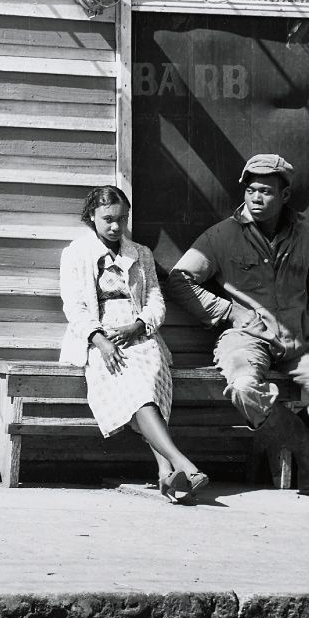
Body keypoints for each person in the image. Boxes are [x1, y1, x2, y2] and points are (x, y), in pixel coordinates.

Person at [167, 153, 309, 494]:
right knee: (244, 389)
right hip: (245, 340)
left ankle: (301, 434)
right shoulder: (221, 236)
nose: (256, 198)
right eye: (251, 190)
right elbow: (181, 278)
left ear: (285, 196)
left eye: (266, 191)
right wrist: (229, 311)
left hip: (297, 341)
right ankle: (303, 444)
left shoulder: (306, 237)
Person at [60, 185, 209, 504]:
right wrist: (101, 341)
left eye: (122, 219)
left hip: (139, 332)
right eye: (108, 219)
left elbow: (156, 301)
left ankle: (167, 473)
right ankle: (178, 464)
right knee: (134, 387)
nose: (116, 227)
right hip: (99, 338)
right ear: (92, 217)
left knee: (151, 377)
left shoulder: (141, 253)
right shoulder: (76, 253)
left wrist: (138, 326)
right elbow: (74, 306)